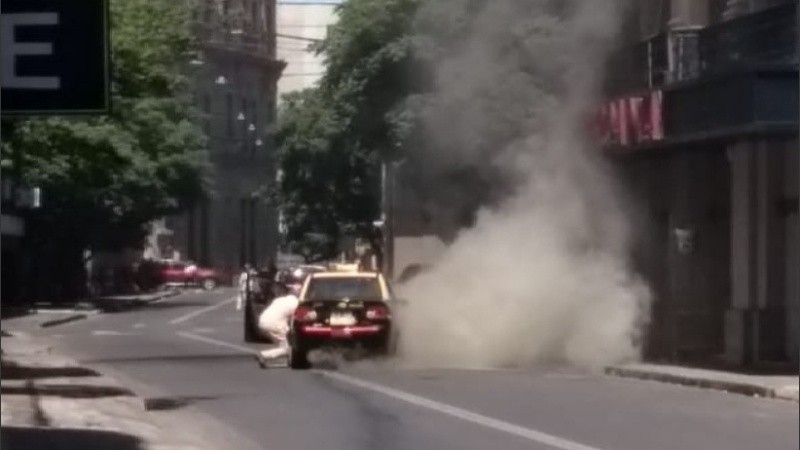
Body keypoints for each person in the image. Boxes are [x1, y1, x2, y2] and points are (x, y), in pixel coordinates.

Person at [254, 282, 300, 367]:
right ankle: (263, 355)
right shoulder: (296, 303)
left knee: (283, 343)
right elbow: (296, 318)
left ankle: (289, 359)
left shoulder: (280, 299)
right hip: (275, 324)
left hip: (262, 321)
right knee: (287, 348)